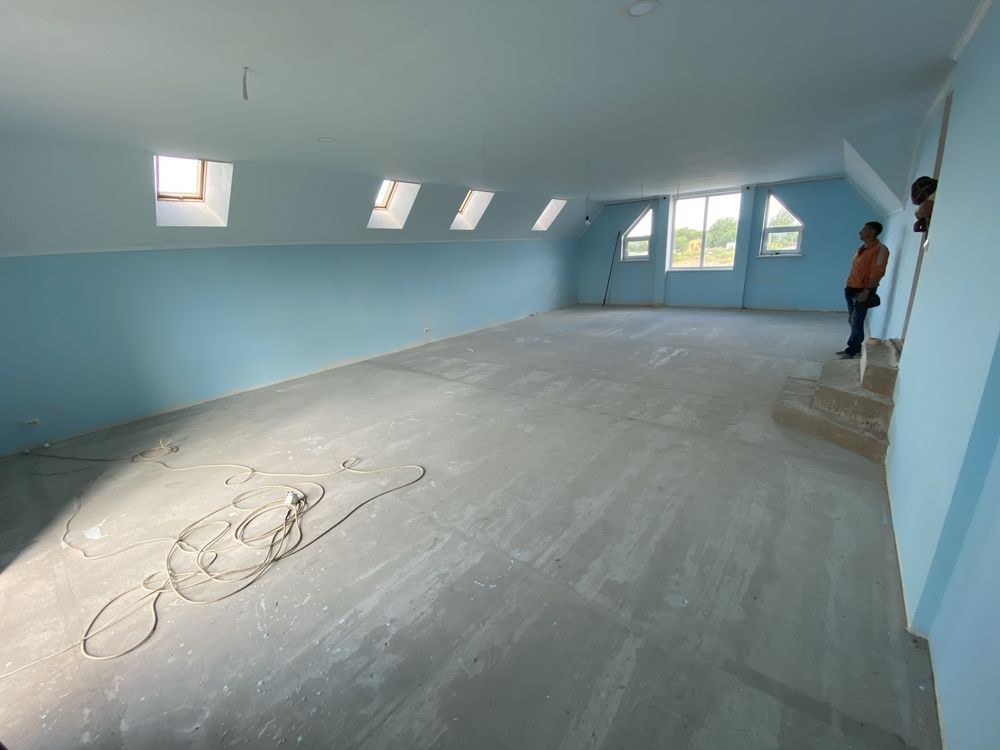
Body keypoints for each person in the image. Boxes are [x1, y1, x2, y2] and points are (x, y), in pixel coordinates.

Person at [837, 221, 889, 360]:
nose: (860, 232)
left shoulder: (880, 250)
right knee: (852, 320)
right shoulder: (863, 248)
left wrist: (867, 291)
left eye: (864, 230)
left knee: (857, 321)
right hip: (851, 288)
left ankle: (852, 351)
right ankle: (854, 347)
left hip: (862, 291)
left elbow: (877, 272)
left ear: (872, 231)